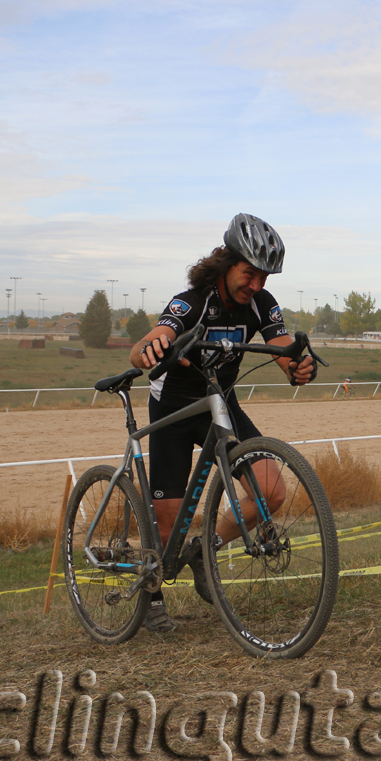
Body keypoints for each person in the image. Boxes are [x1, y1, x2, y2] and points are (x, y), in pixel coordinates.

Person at [128, 213, 316, 632]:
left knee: (269, 490)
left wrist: (296, 366)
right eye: (249, 273)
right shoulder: (192, 301)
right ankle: (152, 597)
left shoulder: (262, 303)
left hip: (220, 402)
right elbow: (146, 344)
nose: (255, 285)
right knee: (165, 524)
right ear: (227, 263)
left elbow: (281, 345)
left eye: (263, 277)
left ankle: (204, 550)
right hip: (174, 411)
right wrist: (151, 348)